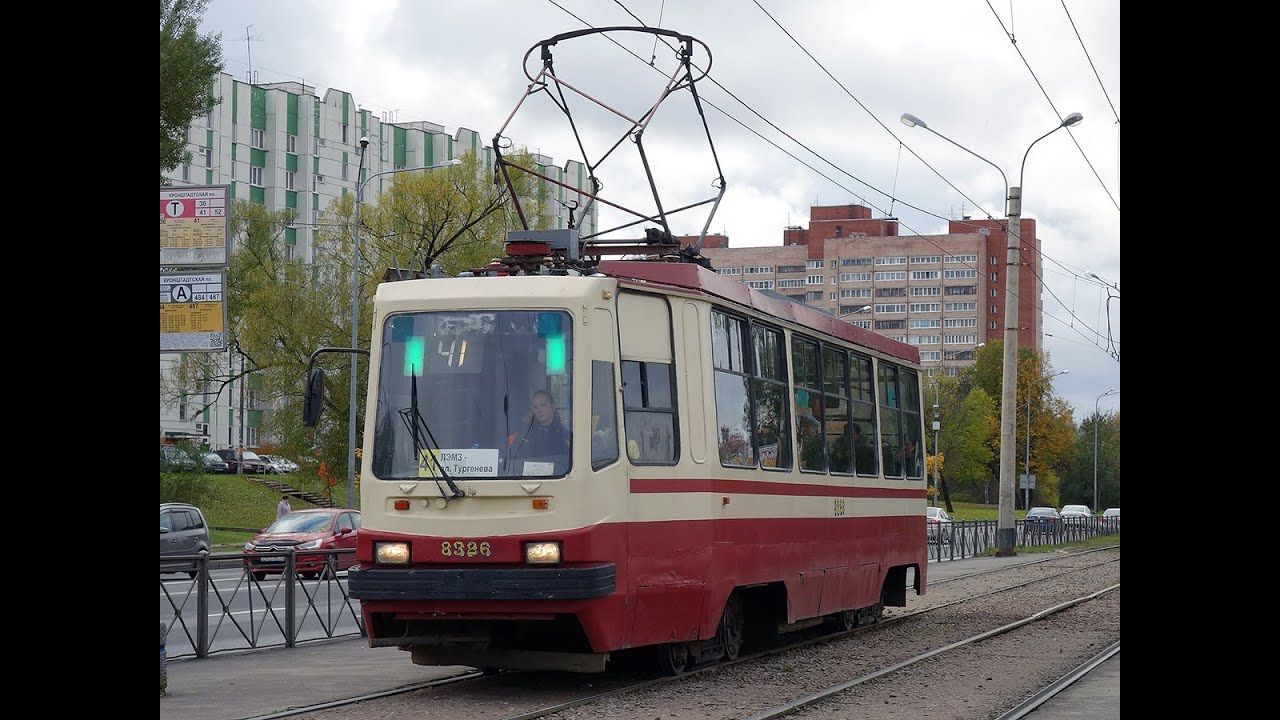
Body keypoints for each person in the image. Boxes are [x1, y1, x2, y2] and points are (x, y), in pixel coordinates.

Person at [509, 390, 571, 475]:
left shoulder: (565, 435)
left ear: (553, 406)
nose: (539, 410)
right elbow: (514, 461)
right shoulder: (525, 434)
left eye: (543, 405)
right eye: (535, 407)